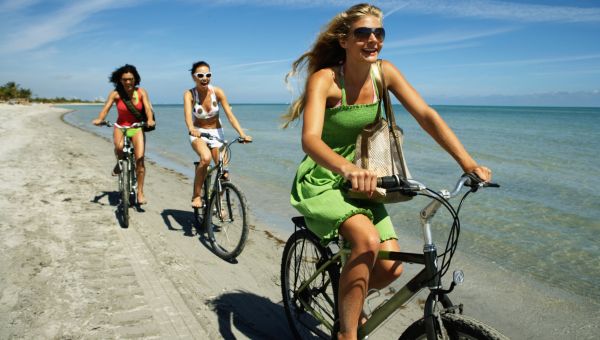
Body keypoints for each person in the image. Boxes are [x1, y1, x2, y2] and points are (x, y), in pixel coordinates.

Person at [283, 4, 493, 339]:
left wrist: (467, 163)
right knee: (366, 241)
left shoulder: (385, 73)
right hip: (324, 177)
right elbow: (309, 140)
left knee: (392, 266)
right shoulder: (326, 80)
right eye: (363, 33)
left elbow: (425, 114)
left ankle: (348, 297)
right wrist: (348, 168)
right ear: (344, 40)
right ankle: (346, 334)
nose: (373, 40)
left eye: (379, 33)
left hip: (367, 179)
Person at [183, 61, 252, 209]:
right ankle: (196, 196)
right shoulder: (189, 94)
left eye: (208, 75)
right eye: (200, 75)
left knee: (224, 171)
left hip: (216, 132)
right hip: (198, 132)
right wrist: (191, 128)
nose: (204, 78)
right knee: (205, 158)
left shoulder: (218, 92)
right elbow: (188, 115)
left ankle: (218, 202)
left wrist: (242, 134)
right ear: (194, 77)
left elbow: (230, 116)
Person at [92, 64, 155, 205]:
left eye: (130, 79)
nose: (128, 82)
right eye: (124, 79)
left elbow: (148, 108)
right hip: (120, 126)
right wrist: (100, 119)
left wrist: (150, 120)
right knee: (119, 148)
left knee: (140, 159)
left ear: (135, 79)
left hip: (136, 127)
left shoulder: (141, 92)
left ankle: (140, 192)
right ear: (119, 80)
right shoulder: (115, 94)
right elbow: (106, 109)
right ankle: (119, 163)